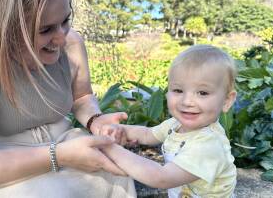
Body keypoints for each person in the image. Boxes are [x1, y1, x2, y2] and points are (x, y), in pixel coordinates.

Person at [0, 0, 136, 197]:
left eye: (65, 21)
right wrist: (57, 156)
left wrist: (95, 120)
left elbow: (81, 96)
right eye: (45, 30)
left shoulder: (71, 42)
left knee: (119, 175)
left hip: (68, 144)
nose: (62, 39)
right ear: (4, 28)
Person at [101, 45, 238, 198]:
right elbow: (147, 134)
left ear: (227, 100)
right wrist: (120, 130)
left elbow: (161, 177)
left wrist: (110, 149)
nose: (187, 101)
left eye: (203, 93)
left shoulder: (209, 145)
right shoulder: (175, 124)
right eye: (178, 90)